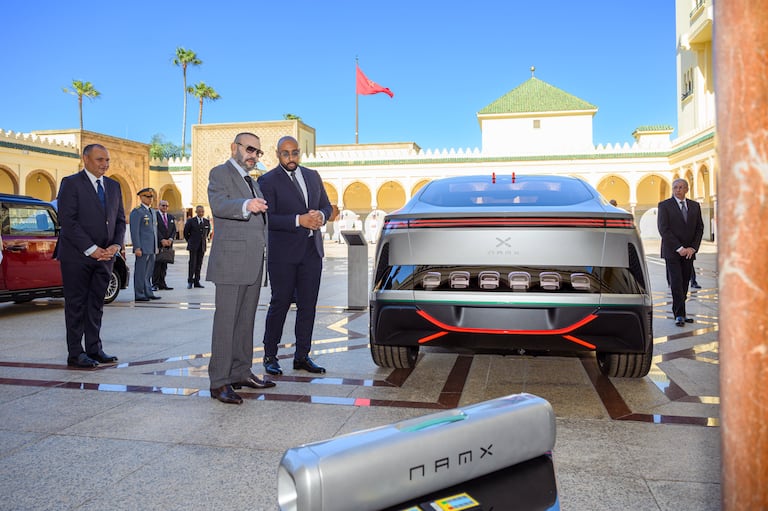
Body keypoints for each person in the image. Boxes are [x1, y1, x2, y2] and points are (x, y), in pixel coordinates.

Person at [205, 132, 274, 404]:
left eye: (258, 151)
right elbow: (219, 204)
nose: (254, 155)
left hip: (253, 262)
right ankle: (219, 382)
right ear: (234, 147)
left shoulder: (252, 182)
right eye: (249, 149)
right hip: (231, 262)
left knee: (245, 321)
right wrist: (247, 204)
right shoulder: (220, 173)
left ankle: (241, 372)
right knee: (226, 323)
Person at [259, 135, 332, 375]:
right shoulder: (268, 180)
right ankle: (270, 355)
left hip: (311, 252)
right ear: (277, 154)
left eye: (294, 153)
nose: (291, 158)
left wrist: (320, 215)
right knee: (280, 303)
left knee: (308, 306)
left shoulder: (312, 176)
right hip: (283, 254)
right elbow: (268, 218)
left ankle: (302, 356)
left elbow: (327, 205)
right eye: (285, 153)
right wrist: (299, 220)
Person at [55, 144, 126, 368]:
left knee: (96, 304)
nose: (104, 164)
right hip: (77, 256)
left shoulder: (114, 187)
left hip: (106, 257)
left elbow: (120, 220)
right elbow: (68, 221)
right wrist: (91, 248)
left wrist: (115, 244)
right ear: (85, 159)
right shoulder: (71, 183)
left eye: (107, 160)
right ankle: (75, 353)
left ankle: (94, 349)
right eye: (100, 160)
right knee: (76, 305)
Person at [657, 178, 704, 327]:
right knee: (676, 283)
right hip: (672, 251)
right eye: (675, 187)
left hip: (689, 252)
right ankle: (678, 315)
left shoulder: (695, 206)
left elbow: (699, 228)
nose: (678, 190)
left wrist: (692, 248)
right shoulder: (664, 206)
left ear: (687, 189)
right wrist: (679, 248)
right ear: (672, 189)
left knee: (684, 283)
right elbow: (664, 229)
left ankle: (681, 313)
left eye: (681, 187)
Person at [129, 188, 161, 302]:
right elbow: (135, 231)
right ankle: (139, 293)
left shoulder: (152, 211)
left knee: (148, 272)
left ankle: (148, 291)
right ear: (141, 197)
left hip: (151, 247)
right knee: (140, 271)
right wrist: (137, 247)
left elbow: (154, 231)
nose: (150, 199)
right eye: (147, 196)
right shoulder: (137, 212)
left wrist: (156, 246)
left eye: (151, 197)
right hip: (142, 247)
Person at [184, 205, 210, 289]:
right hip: (193, 246)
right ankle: (190, 281)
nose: (201, 213)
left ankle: (197, 281)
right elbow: (186, 233)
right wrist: (190, 241)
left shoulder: (206, 221)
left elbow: (207, 232)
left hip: (202, 246)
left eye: (202, 211)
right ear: (196, 212)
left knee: (199, 264)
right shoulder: (191, 221)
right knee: (192, 263)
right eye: (199, 211)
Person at [153, 199, 176, 290]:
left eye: (166, 206)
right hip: (159, 244)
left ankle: (162, 283)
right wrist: (161, 239)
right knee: (157, 265)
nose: (165, 207)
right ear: (159, 206)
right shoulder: (155, 215)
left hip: (168, 245)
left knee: (164, 264)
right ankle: (155, 284)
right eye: (163, 205)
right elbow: (155, 229)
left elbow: (174, 229)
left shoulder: (170, 217)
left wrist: (170, 239)